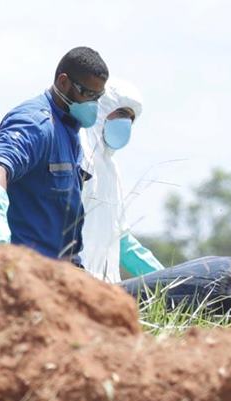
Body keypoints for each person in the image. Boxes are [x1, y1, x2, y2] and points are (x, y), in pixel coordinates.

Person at [0, 47, 109, 264]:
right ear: (63, 82)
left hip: (53, 271)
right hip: (9, 268)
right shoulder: (35, 124)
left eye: (98, 97)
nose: (92, 104)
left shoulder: (69, 130)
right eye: (87, 94)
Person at [78, 78, 163, 282]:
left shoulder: (111, 169)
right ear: (101, 109)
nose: (126, 123)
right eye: (122, 113)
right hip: (71, 282)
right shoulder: (78, 153)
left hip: (105, 289)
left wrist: (170, 280)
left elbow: (121, 241)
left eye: (131, 119)